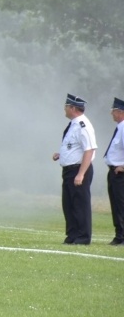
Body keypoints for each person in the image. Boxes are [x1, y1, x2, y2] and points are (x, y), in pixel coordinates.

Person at [52, 94, 97, 245]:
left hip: (78, 170)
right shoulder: (73, 124)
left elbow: (89, 150)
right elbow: (75, 146)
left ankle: (83, 237)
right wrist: (62, 154)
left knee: (80, 204)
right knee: (69, 204)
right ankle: (72, 236)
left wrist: (81, 174)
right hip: (69, 170)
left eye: (66, 107)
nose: (64, 109)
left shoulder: (83, 125)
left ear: (72, 108)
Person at [104, 97, 124, 246]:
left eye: (114, 111)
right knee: (116, 204)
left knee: (120, 205)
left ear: (120, 112)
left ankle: (121, 237)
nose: (112, 114)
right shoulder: (120, 127)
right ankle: (119, 235)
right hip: (114, 172)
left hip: (120, 174)